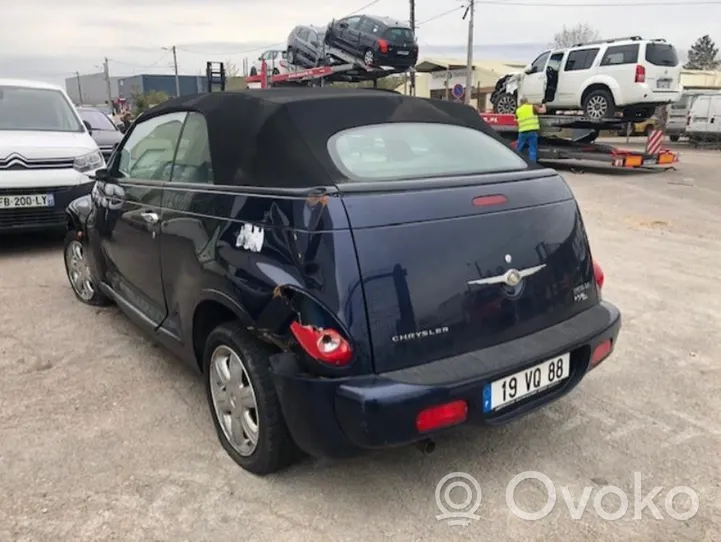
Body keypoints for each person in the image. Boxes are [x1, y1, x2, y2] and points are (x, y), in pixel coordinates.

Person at [515, 96, 546, 162]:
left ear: (520, 103)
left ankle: (514, 162)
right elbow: (543, 111)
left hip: (522, 132)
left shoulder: (518, 110)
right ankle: (532, 164)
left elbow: (516, 120)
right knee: (532, 149)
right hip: (532, 132)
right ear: (527, 101)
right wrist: (543, 105)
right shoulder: (532, 107)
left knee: (518, 149)